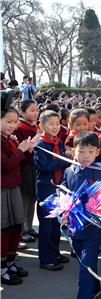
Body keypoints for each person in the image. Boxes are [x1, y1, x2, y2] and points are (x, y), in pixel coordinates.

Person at [63, 132, 101, 299]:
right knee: (81, 256)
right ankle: (95, 287)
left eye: (90, 151)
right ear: (72, 151)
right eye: (81, 151)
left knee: (86, 262)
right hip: (75, 227)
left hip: (93, 226)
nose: (85, 156)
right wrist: (63, 213)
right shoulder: (69, 171)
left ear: (97, 152)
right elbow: (64, 194)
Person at [1, 99, 39, 284]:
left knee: (16, 226)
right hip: (3, 190)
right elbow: (7, 165)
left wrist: (26, 148)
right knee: (4, 229)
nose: (13, 125)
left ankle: (10, 261)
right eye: (8, 121)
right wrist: (21, 150)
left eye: (15, 122)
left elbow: (17, 161)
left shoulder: (9, 139)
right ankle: (2, 268)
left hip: (13, 187)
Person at [34, 110, 69, 271]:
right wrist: (64, 159)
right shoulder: (40, 145)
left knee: (56, 223)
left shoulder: (58, 141)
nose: (55, 127)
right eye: (51, 124)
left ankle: (54, 252)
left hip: (57, 187)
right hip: (45, 189)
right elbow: (46, 167)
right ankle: (46, 258)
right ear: (41, 125)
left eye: (57, 123)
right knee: (46, 225)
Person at [14, 99, 40, 243]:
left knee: (32, 198)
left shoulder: (35, 127)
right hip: (24, 167)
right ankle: (22, 230)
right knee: (24, 198)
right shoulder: (20, 128)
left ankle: (29, 227)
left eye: (37, 110)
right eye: (32, 110)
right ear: (22, 112)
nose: (35, 113)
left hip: (34, 166)